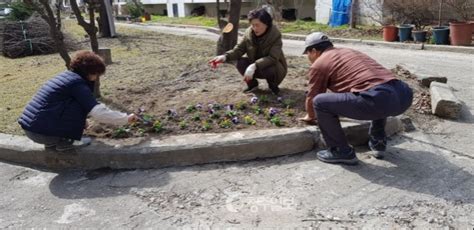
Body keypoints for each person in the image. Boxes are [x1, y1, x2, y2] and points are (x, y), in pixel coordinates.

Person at [299, 32, 413, 165]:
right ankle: (378, 142)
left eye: (307, 53)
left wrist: (310, 116)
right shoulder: (348, 52)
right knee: (372, 91)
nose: (308, 57)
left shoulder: (320, 63)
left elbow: (312, 96)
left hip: (378, 99)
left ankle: (341, 151)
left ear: (313, 50)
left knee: (320, 102)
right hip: (403, 94)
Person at [18, 51, 138, 151]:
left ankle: (53, 141)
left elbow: (60, 107)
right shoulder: (78, 85)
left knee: (80, 104)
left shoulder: (65, 77)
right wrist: (125, 118)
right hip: (43, 133)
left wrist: (81, 120)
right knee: (86, 105)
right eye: (96, 74)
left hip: (32, 129)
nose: (96, 78)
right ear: (90, 72)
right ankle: (65, 142)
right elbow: (98, 112)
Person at [209, 8, 287, 95]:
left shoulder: (275, 35)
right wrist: (225, 56)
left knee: (269, 67)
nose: (254, 28)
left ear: (266, 24)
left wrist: (254, 66)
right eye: (252, 25)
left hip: (274, 68)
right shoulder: (248, 33)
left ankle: (273, 86)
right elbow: (239, 49)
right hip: (255, 66)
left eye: (257, 25)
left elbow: (273, 58)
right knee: (241, 62)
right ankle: (252, 85)